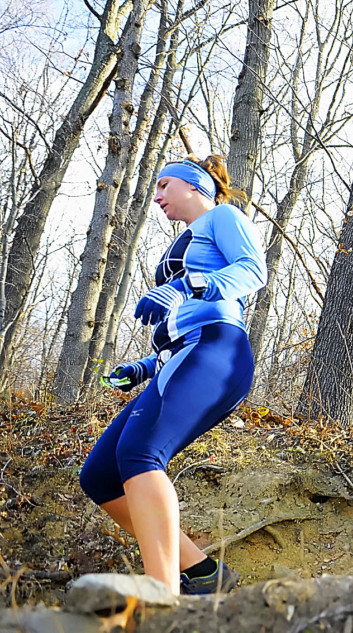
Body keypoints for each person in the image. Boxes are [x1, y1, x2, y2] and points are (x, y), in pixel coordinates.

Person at [82, 155, 267, 595]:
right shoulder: (186, 240)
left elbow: (252, 270)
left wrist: (185, 286)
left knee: (141, 453)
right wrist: (141, 368)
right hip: (183, 354)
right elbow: (178, 331)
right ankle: (204, 574)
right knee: (100, 476)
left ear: (196, 186)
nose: (158, 196)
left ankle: (161, 597)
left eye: (166, 185)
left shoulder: (223, 216)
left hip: (216, 348)